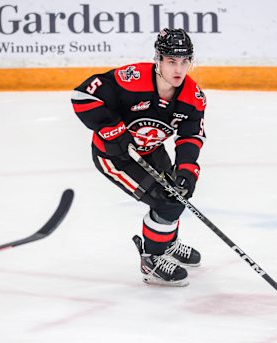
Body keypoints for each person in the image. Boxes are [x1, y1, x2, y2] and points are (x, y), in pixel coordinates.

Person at [71, 28, 206, 287]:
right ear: (158, 59)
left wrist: (187, 171)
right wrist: (111, 129)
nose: (179, 69)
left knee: (177, 194)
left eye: (184, 61)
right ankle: (152, 261)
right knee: (165, 203)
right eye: (171, 61)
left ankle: (166, 243)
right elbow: (83, 96)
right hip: (114, 157)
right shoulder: (131, 79)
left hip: (151, 150)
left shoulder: (193, 97)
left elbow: (191, 137)